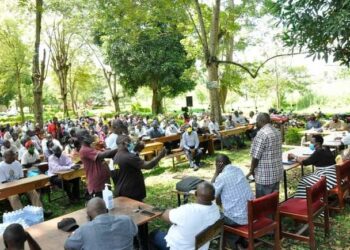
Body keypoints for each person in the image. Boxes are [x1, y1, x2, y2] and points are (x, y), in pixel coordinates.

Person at [114, 135, 166, 250]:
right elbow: (147, 165)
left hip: (122, 195)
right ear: (123, 143)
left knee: (129, 221)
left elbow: (115, 176)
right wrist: (160, 156)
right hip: (133, 195)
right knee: (141, 221)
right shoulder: (128, 157)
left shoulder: (116, 157)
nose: (131, 142)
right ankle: (143, 245)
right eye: (129, 141)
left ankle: (135, 244)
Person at [150, 182, 220, 250]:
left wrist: (161, 210)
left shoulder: (188, 210)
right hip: (201, 246)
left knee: (153, 235)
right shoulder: (216, 210)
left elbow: (165, 215)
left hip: (177, 247)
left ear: (195, 194)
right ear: (213, 198)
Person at [211, 155, 253, 249]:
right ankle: (238, 240)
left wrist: (216, 173)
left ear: (220, 164)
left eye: (216, 164)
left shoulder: (222, 177)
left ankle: (235, 242)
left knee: (213, 214)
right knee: (226, 211)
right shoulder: (239, 170)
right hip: (251, 214)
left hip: (237, 219)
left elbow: (210, 194)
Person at [64, 197, 137, 250]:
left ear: (88, 216)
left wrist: (74, 235)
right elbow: (135, 232)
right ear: (107, 210)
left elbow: (68, 246)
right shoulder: (126, 220)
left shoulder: (84, 230)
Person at [247, 113, 283, 198]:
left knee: (263, 205)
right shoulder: (277, 131)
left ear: (260, 121)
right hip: (276, 173)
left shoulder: (261, 134)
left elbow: (256, 156)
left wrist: (251, 170)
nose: (256, 123)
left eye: (256, 121)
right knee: (273, 201)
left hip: (264, 176)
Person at [77, 129, 118, 198]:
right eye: (86, 135)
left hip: (103, 181)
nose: (89, 136)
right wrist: (118, 149)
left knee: (108, 202)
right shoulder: (84, 150)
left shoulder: (91, 147)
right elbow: (102, 155)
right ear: (81, 139)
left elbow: (106, 153)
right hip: (97, 183)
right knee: (101, 204)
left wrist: (107, 147)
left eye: (88, 134)